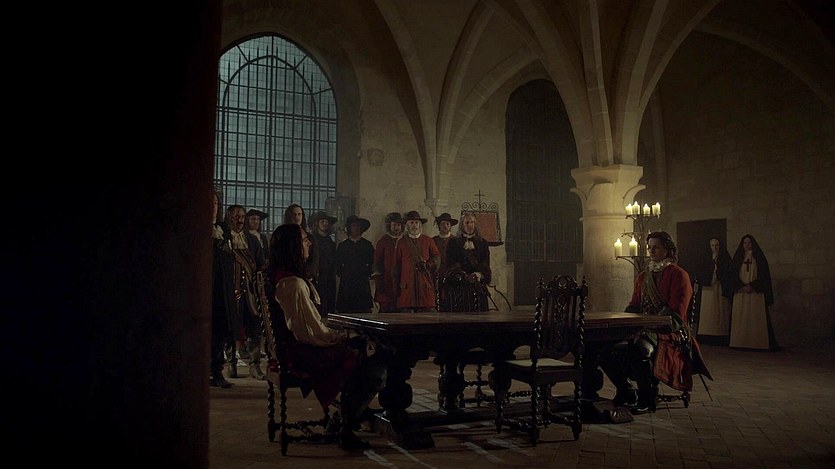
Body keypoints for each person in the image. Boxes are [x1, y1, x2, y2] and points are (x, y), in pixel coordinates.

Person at [266, 223, 389, 450]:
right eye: (304, 240)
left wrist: (336, 336)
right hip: (298, 354)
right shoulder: (292, 283)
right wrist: (337, 338)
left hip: (291, 349)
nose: (309, 243)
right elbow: (308, 333)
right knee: (373, 364)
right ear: (292, 246)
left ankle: (351, 412)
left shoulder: (283, 276)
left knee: (361, 347)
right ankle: (346, 422)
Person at [600, 231, 710, 413]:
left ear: (667, 250)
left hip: (670, 331)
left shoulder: (679, 275)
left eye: (656, 247)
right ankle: (626, 391)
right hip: (642, 329)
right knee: (604, 348)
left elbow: (676, 315)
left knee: (639, 348)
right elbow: (634, 306)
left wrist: (648, 325)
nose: (651, 251)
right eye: (649, 247)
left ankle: (647, 398)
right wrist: (624, 323)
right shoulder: (644, 276)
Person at [226, 204, 268, 380]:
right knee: (230, 328)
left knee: (254, 327)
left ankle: (254, 365)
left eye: (242, 216)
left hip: (250, 292)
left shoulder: (252, 240)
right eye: (236, 216)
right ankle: (231, 364)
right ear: (229, 217)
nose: (240, 220)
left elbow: (260, 264)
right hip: (229, 291)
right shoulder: (223, 239)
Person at [728, 234, 780, 351]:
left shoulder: (759, 259)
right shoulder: (738, 258)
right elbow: (733, 275)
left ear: (753, 244)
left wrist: (752, 286)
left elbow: (763, 276)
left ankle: (756, 342)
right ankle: (739, 341)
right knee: (741, 317)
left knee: (755, 318)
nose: (747, 245)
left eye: (749, 243)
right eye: (745, 243)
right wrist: (741, 286)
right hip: (741, 293)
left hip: (755, 293)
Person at [210, 189, 235, 388]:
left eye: (215, 203)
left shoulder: (223, 229)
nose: (212, 207)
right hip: (205, 287)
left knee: (219, 330)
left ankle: (217, 371)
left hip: (222, 288)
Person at [393, 210, 441, 312]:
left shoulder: (428, 240)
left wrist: (428, 265)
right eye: (411, 223)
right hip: (406, 287)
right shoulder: (401, 242)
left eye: (416, 223)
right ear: (407, 226)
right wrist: (396, 287)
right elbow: (396, 265)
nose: (414, 225)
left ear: (420, 225)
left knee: (428, 314)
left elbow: (437, 257)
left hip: (424, 285)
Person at [444, 211, 492, 311]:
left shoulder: (482, 243)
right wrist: (463, 276)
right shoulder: (453, 243)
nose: (470, 225)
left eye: (472, 222)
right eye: (467, 223)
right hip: (459, 287)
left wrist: (478, 274)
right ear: (462, 225)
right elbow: (450, 263)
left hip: (477, 285)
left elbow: (485, 264)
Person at [697, 237, 733, 345]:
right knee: (708, 310)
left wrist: (719, 274)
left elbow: (728, 272)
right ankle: (706, 334)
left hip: (720, 288)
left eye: (716, 245)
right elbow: (701, 271)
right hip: (708, 288)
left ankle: (721, 335)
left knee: (721, 311)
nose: (714, 247)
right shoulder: (705, 257)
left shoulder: (725, 257)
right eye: (712, 245)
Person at [335, 215, 375, 313]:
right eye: (353, 226)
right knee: (347, 309)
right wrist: (343, 272)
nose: (356, 228)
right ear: (349, 228)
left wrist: (367, 272)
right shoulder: (343, 246)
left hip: (362, 282)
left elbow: (372, 261)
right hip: (347, 282)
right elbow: (338, 263)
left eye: (358, 226)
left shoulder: (367, 245)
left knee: (363, 309)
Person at [372, 212, 404, 313]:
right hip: (386, 282)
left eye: (398, 225)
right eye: (394, 225)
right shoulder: (383, 241)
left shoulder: (405, 241)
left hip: (402, 282)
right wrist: (378, 281)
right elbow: (377, 262)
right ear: (389, 226)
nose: (396, 228)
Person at [309, 211, 338, 319]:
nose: (325, 223)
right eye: (322, 221)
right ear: (317, 223)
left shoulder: (330, 240)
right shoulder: (312, 239)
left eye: (327, 221)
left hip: (329, 276)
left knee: (329, 302)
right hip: (317, 276)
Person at [284, 203, 318, 282]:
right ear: (289, 217)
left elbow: (315, 258)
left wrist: (309, 274)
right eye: (294, 214)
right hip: (289, 277)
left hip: (307, 277)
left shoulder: (310, 237)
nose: (297, 217)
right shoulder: (283, 236)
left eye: (299, 214)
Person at [431, 212, 458, 283]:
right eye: (443, 224)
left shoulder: (456, 240)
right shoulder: (433, 240)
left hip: (452, 275)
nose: (445, 226)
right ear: (439, 225)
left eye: (447, 224)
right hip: (436, 275)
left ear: (450, 226)